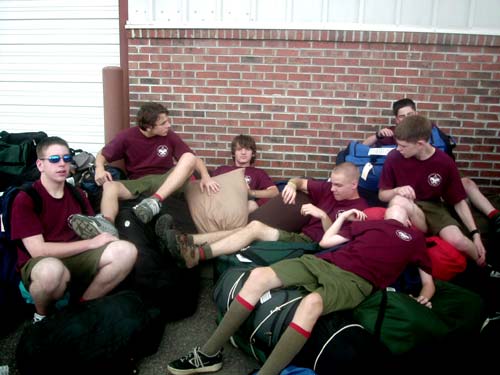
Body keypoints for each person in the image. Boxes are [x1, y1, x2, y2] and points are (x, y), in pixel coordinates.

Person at [166, 204, 434, 375]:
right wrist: (342, 218)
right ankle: (208, 353)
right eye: (393, 203)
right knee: (259, 276)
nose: (397, 203)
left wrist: (425, 298)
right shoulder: (371, 223)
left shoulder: (415, 239)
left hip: (355, 281)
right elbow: (327, 241)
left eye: (404, 203)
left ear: (410, 217)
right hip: (323, 262)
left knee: (310, 305)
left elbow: (428, 282)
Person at [10, 136, 137, 323]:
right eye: (54, 159)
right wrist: (91, 243)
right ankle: (41, 316)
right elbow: (38, 250)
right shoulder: (26, 198)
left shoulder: (77, 194)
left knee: (126, 251)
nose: (62, 164)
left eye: (66, 158)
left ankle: (81, 307)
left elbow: (90, 228)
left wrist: (105, 231)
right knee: (51, 272)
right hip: (41, 262)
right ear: (40, 165)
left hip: (76, 256)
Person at [158, 162, 369, 269]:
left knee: (254, 228)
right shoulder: (327, 188)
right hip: (297, 233)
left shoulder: (360, 211)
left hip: (311, 244)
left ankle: (196, 255)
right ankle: (187, 240)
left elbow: (328, 243)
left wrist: (322, 215)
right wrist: (291, 186)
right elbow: (298, 180)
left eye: (338, 186)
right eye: (332, 183)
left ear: (354, 184)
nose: (332, 189)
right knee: (249, 227)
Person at [68, 102, 220, 239]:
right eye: (163, 123)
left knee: (188, 157)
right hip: (139, 182)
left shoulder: (169, 136)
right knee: (110, 186)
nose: (169, 125)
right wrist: (99, 168)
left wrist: (206, 176)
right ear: (148, 127)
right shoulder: (126, 137)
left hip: (166, 180)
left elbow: (194, 159)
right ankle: (106, 225)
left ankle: (154, 202)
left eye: (167, 120)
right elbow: (103, 154)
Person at [364, 98, 500, 234]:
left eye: (409, 114)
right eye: (401, 116)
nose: (406, 118)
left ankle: (494, 215)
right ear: (396, 119)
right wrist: (377, 135)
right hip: (410, 181)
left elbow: (446, 147)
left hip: (437, 168)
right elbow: (363, 146)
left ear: (416, 113)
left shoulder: (428, 129)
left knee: (466, 183)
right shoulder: (393, 134)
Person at [378, 114, 487, 266]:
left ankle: (484, 266)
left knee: (460, 241)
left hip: (433, 208)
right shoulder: (394, 157)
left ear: (420, 144)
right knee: (397, 203)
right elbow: (383, 195)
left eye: (403, 146)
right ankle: (387, 262)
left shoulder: (444, 162)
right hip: (407, 205)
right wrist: (397, 190)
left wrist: (475, 234)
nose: (398, 149)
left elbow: (458, 200)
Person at [213, 134, 279, 213]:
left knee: (251, 204)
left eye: (247, 149)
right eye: (239, 149)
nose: (243, 152)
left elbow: (274, 192)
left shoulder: (258, 173)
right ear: (234, 153)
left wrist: (251, 194)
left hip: (243, 209)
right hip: (221, 207)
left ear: (253, 153)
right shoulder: (222, 169)